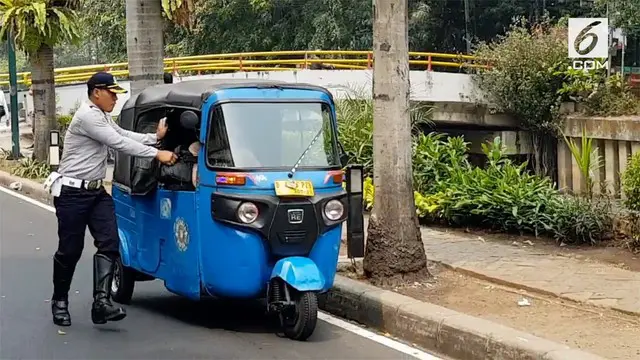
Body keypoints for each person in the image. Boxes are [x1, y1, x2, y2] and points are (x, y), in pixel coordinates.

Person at [46, 72, 177, 327]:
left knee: (110, 242)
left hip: (95, 193)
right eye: (112, 92)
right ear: (97, 92)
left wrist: (154, 138)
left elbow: (122, 133)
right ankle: (59, 301)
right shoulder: (87, 117)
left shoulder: (102, 115)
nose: (116, 97)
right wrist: (157, 153)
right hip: (72, 194)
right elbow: (118, 142)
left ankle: (101, 303)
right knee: (70, 251)